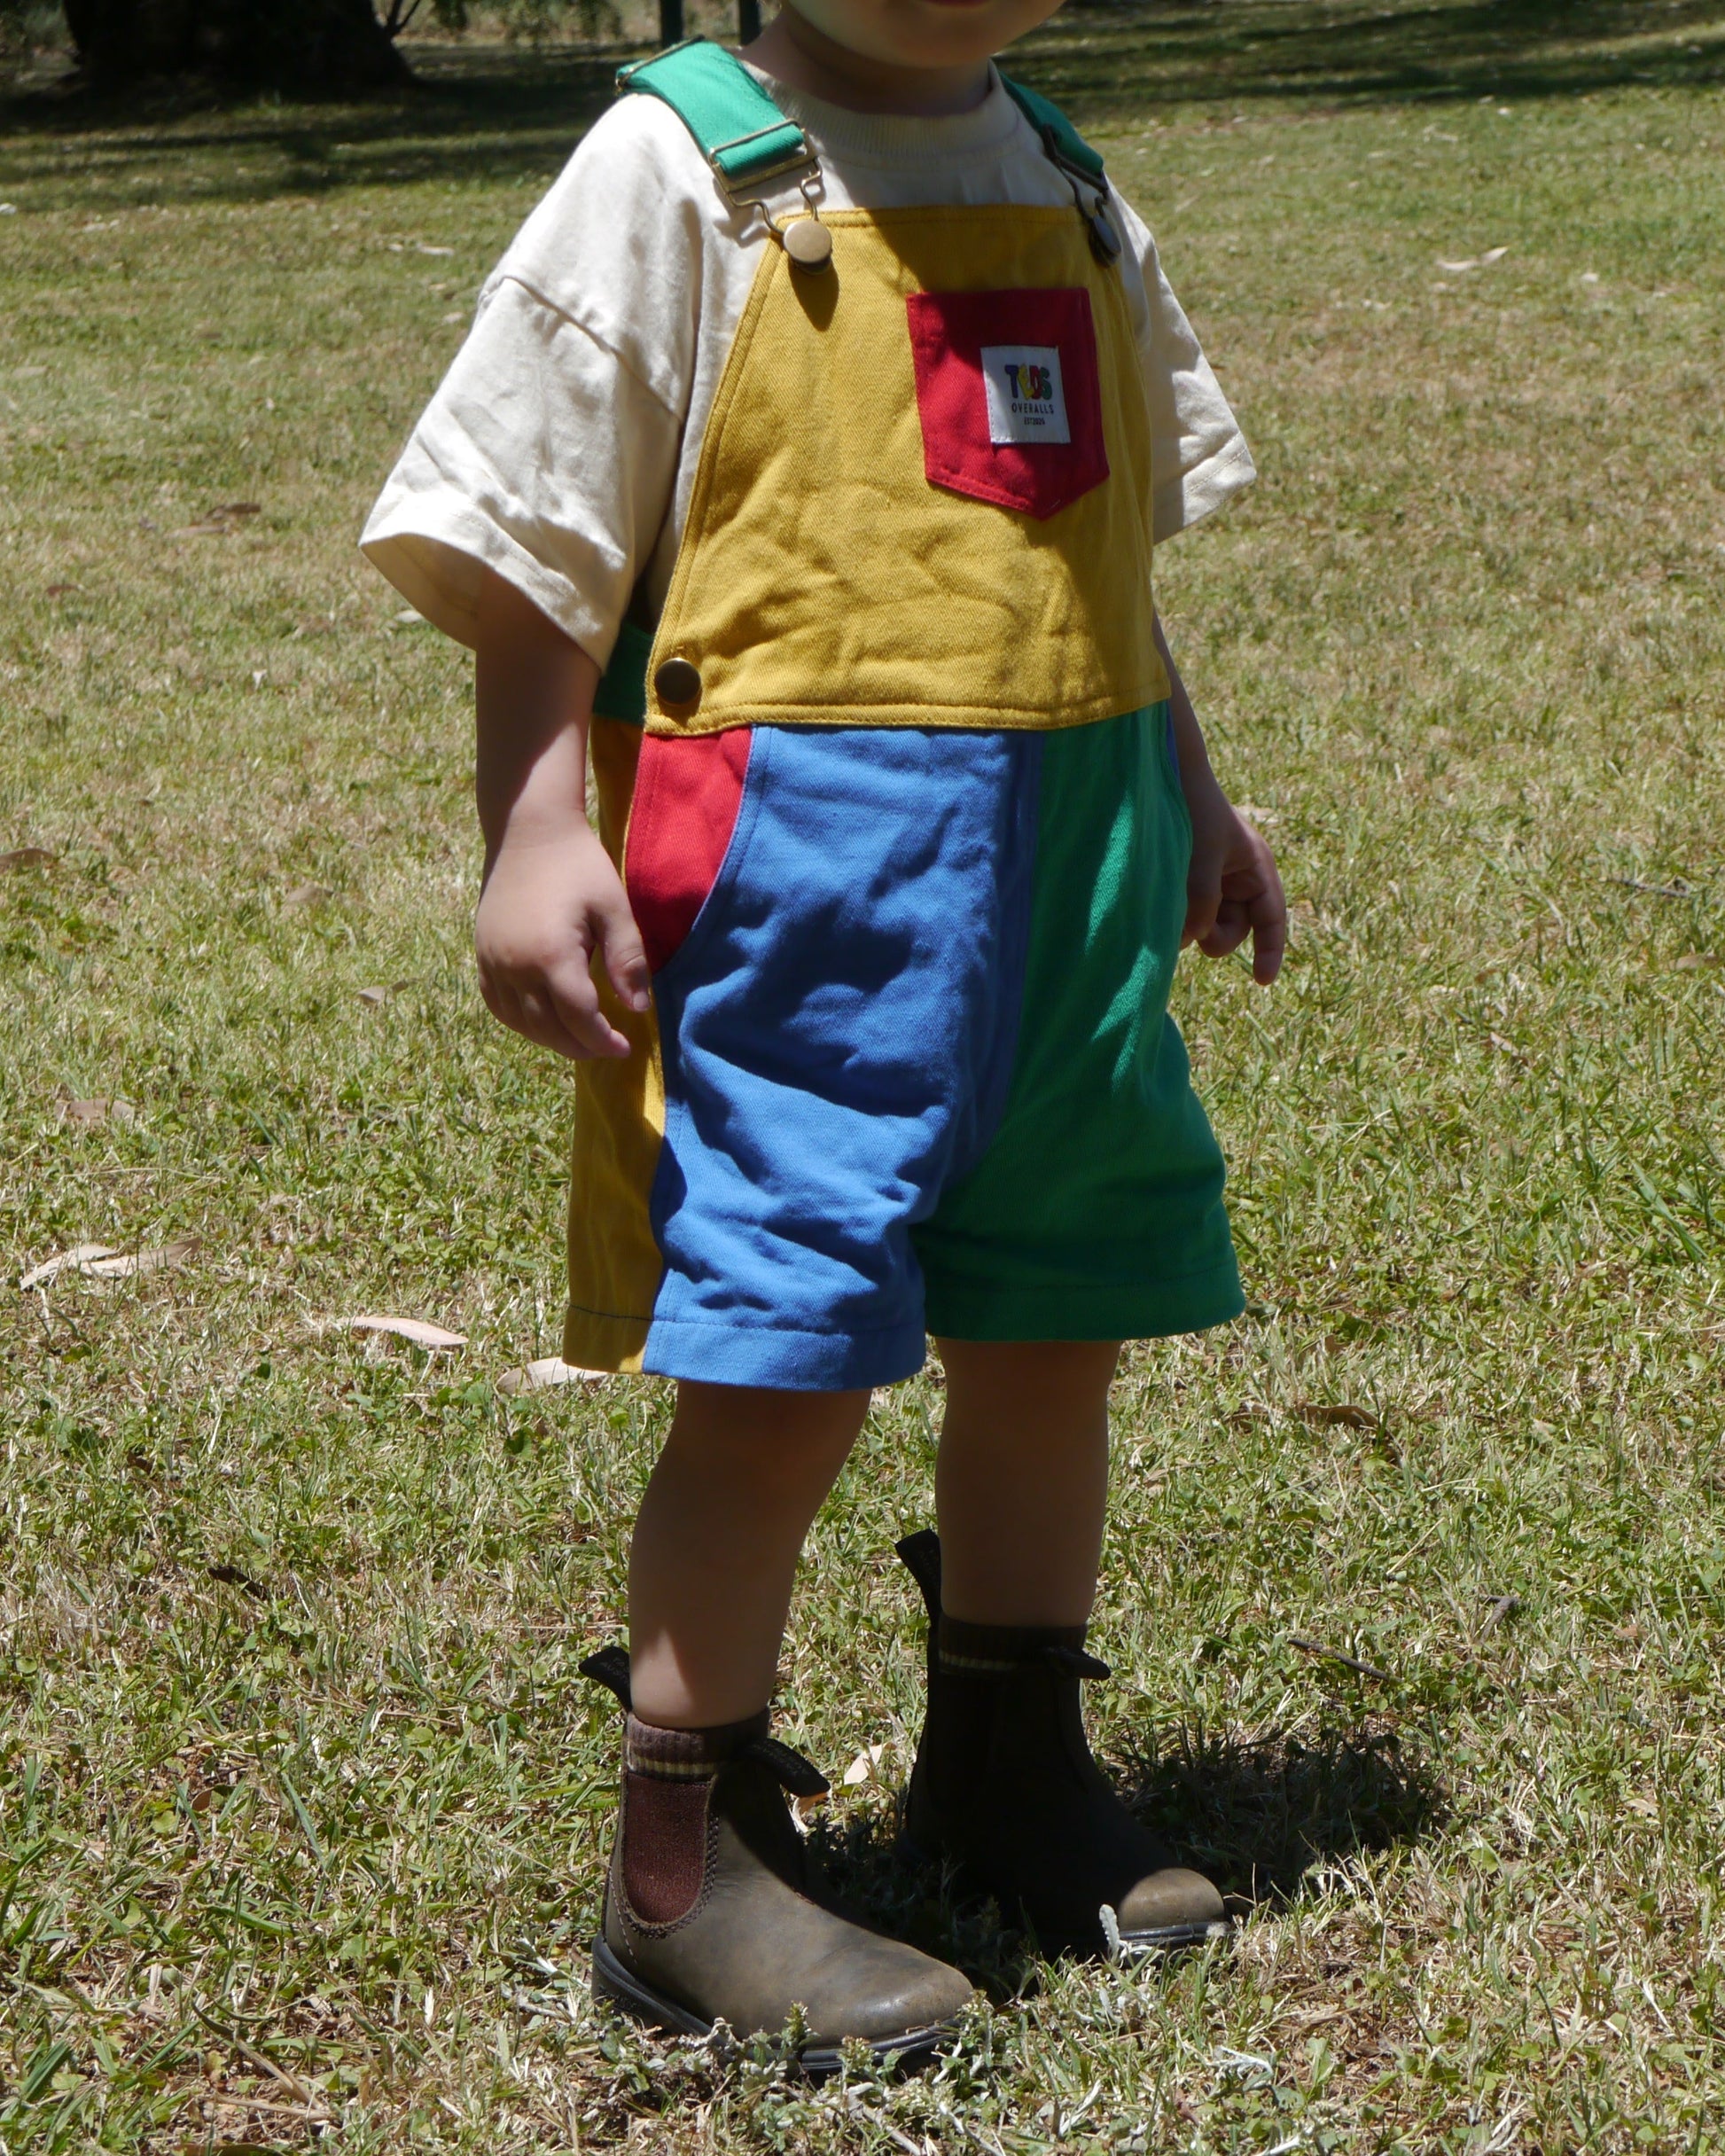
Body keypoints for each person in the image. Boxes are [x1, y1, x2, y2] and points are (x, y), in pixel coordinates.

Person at [363, 0, 1286, 2073]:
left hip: (1071, 886)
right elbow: (534, 536)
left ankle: (1006, 1757)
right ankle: (681, 1862)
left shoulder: (1058, 176)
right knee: (785, 1353)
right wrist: (532, 825)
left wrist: (1194, 795)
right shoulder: (678, 169)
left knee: (1055, 1322)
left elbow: (1100, 557)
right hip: (803, 895)